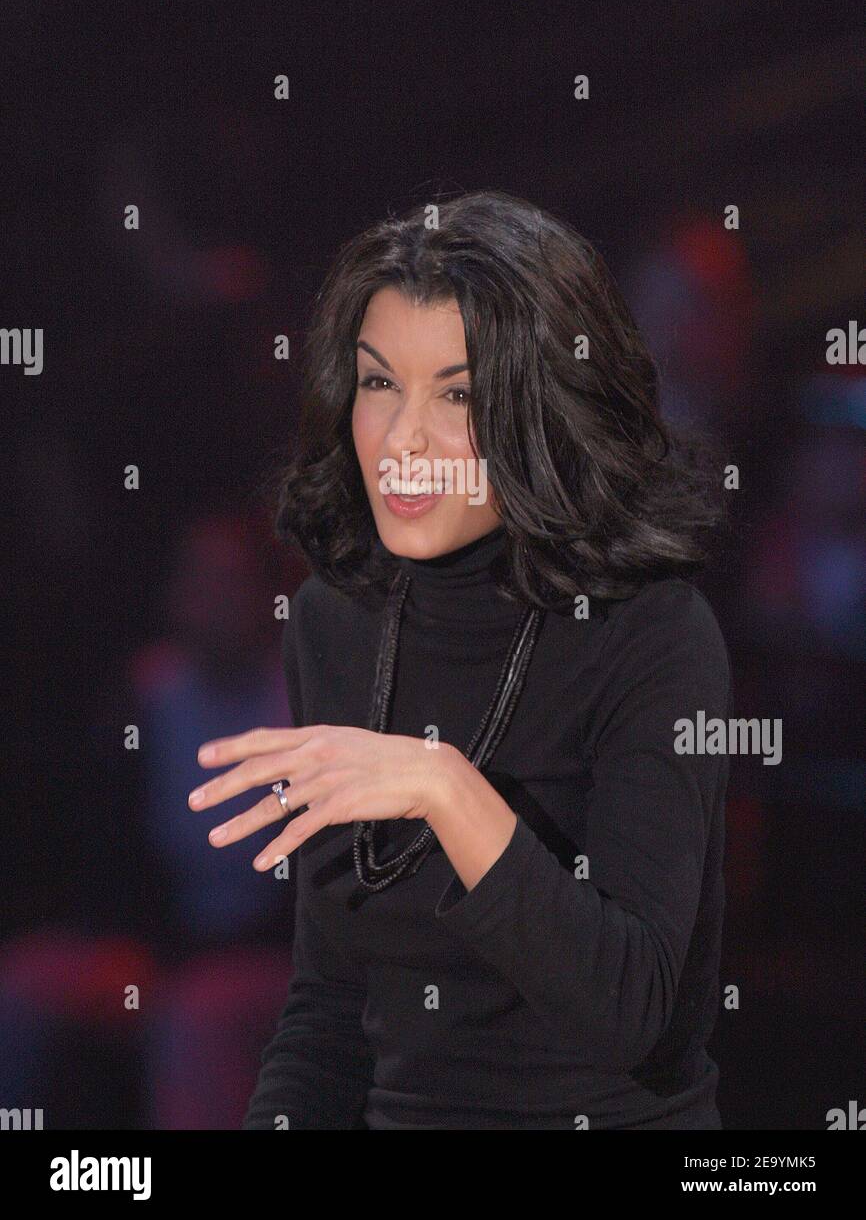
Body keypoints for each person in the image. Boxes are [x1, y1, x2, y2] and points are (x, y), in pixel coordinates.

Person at [188, 190, 731, 1129]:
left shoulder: (655, 635)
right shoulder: (333, 622)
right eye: (377, 383)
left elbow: (635, 1011)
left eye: (458, 394)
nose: (403, 441)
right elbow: (328, 1014)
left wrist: (446, 785)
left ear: (541, 406)